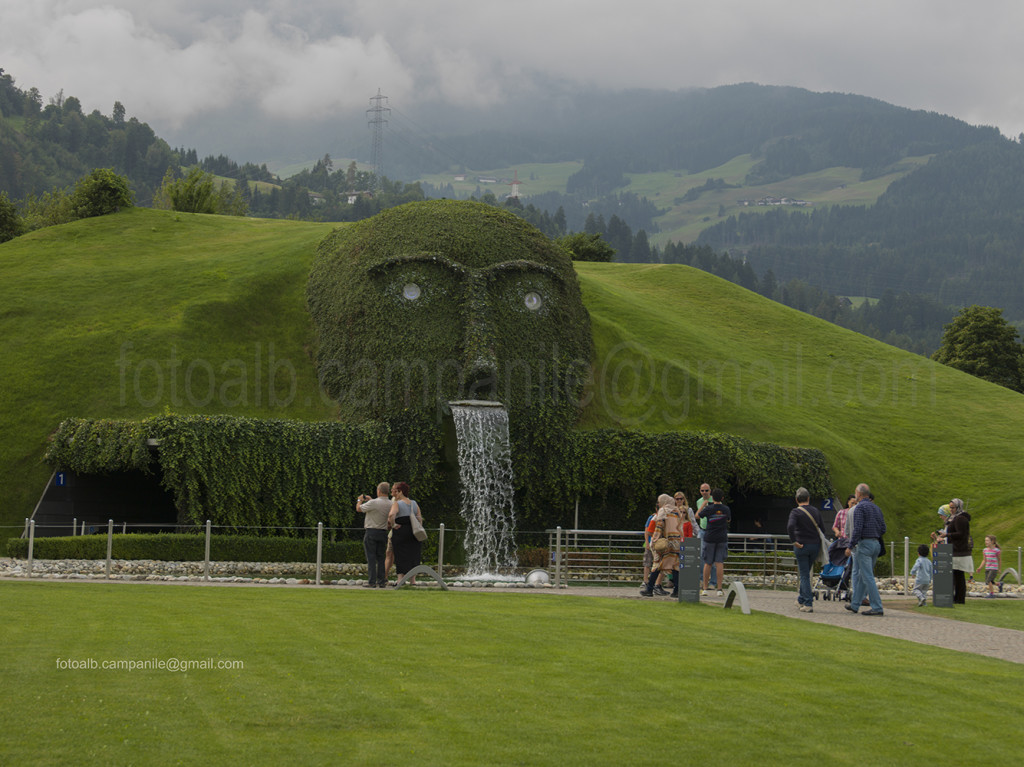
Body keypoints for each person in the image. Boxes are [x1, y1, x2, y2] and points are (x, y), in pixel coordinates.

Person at [844, 483, 886, 616]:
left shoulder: (859, 508)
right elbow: (883, 528)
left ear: (859, 494)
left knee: (867, 576)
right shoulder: (876, 508)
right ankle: (855, 604)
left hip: (865, 544)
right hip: (876, 544)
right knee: (863, 575)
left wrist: (850, 546)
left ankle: (877, 606)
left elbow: (857, 529)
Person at [787, 487, 827, 613]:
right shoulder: (815, 511)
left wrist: (794, 541)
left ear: (796, 500)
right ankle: (801, 599)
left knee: (804, 575)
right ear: (808, 498)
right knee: (807, 571)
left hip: (801, 546)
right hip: (814, 546)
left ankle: (808, 603)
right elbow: (823, 529)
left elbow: (790, 526)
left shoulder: (795, 512)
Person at [640, 494, 684, 597]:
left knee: (657, 566)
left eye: (659, 501)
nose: (658, 503)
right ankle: (677, 591)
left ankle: (649, 589)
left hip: (665, 542)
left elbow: (659, 527)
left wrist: (654, 541)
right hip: (676, 543)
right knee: (675, 567)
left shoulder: (663, 511)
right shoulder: (677, 511)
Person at [355, 482, 392, 588]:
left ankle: (371, 581)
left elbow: (359, 509)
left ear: (379, 491)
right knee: (381, 558)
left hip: (371, 531)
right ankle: (381, 581)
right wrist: (371, 500)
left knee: (371, 558)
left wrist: (359, 500)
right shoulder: (390, 504)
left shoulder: (374, 503)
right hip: (383, 532)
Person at [936, 498, 972, 604]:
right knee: (956, 575)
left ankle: (959, 599)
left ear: (958, 507)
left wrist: (947, 535)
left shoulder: (960, 519)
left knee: (958, 576)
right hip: (954, 549)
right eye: (950, 507)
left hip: (958, 551)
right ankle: (956, 598)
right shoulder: (954, 518)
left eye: (953, 508)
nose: (951, 510)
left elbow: (961, 534)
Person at [696, 487, 731, 597]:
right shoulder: (726, 509)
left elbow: (697, 515)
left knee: (708, 563)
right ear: (722, 498)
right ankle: (719, 589)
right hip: (722, 537)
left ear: (712, 497)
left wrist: (704, 504)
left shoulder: (709, 508)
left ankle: (705, 588)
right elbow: (728, 520)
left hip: (710, 537)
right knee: (719, 563)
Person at [388, 481, 424, 583]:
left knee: (400, 555)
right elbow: (419, 518)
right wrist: (419, 528)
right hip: (413, 532)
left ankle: (400, 579)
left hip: (400, 532)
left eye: (397, 491)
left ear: (400, 492)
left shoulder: (397, 503)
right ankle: (413, 580)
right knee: (413, 555)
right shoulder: (414, 503)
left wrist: (393, 524)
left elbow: (391, 515)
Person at [695, 482, 717, 588]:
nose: (704, 492)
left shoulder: (715, 501)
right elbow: (697, 516)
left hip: (712, 530)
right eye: (702, 490)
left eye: (706, 490)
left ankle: (713, 582)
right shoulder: (699, 501)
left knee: (712, 557)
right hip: (702, 530)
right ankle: (701, 580)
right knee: (700, 556)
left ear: (710, 491)